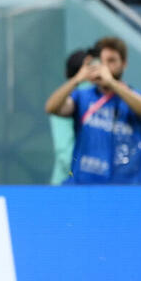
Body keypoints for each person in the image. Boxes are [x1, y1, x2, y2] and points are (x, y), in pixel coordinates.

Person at [44, 36, 141, 184]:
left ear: (124, 64)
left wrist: (112, 83)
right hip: (85, 187)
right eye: (102, 62)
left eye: (112, 61)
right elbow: (52, 107)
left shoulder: (135, 97)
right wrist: (77, 79)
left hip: (126, 190)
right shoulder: (82, 96)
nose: (106, 67)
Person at [48, 49, 88, 184]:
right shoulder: (70, 100)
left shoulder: (63, 98)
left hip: (67, 185)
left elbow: (63, 152)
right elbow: (66, 154)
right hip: (71, 185)